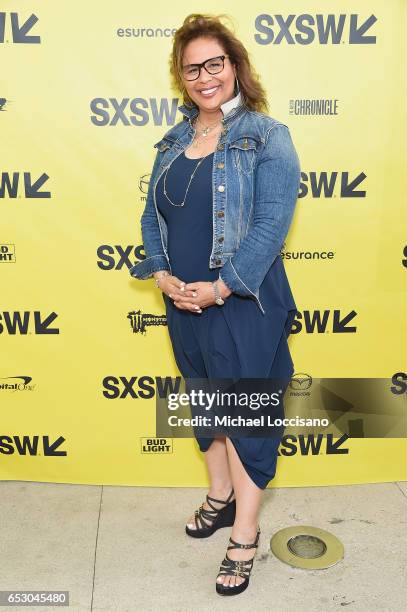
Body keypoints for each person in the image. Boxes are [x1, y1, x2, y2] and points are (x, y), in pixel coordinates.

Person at [129, 13, 301, 597]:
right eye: (191, 68)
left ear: (235, 67)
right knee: (208, 405)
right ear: (180, 79)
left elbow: (273, 225)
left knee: (249, 416)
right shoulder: (173, 141)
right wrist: (161, 274)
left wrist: (222, 285)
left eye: (214, 63)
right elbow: (153, 217)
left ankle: (245, 536)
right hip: (185, 301)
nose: (204, 76)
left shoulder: (267, 136)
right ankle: (220, 497)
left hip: (243, 299)